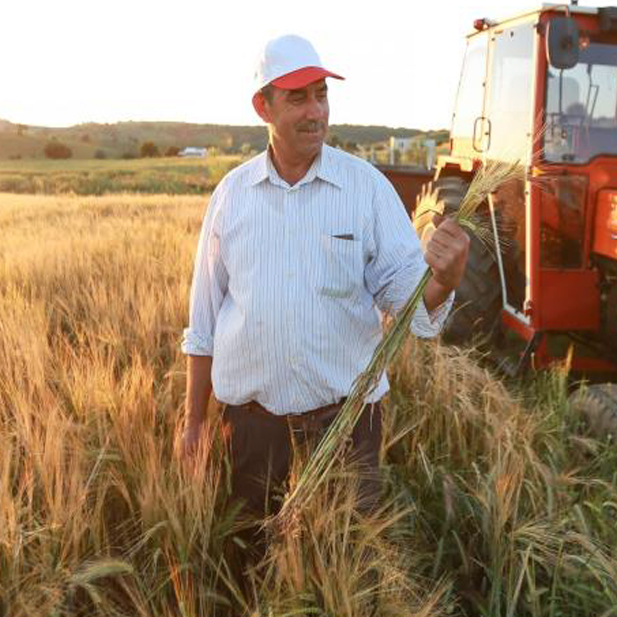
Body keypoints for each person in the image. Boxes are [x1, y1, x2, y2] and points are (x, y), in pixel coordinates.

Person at [177, 35, 470, 531]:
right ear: (262, 107)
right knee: (255, 560)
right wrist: (194, 421)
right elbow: (204, 320)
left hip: (347, 428)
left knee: (348, 565)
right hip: (251, 430)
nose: (316, 111)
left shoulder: (367, 189)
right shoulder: (232, 196)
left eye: (321, 94)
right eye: (298, 98)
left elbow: (410, 302)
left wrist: (445, 278)